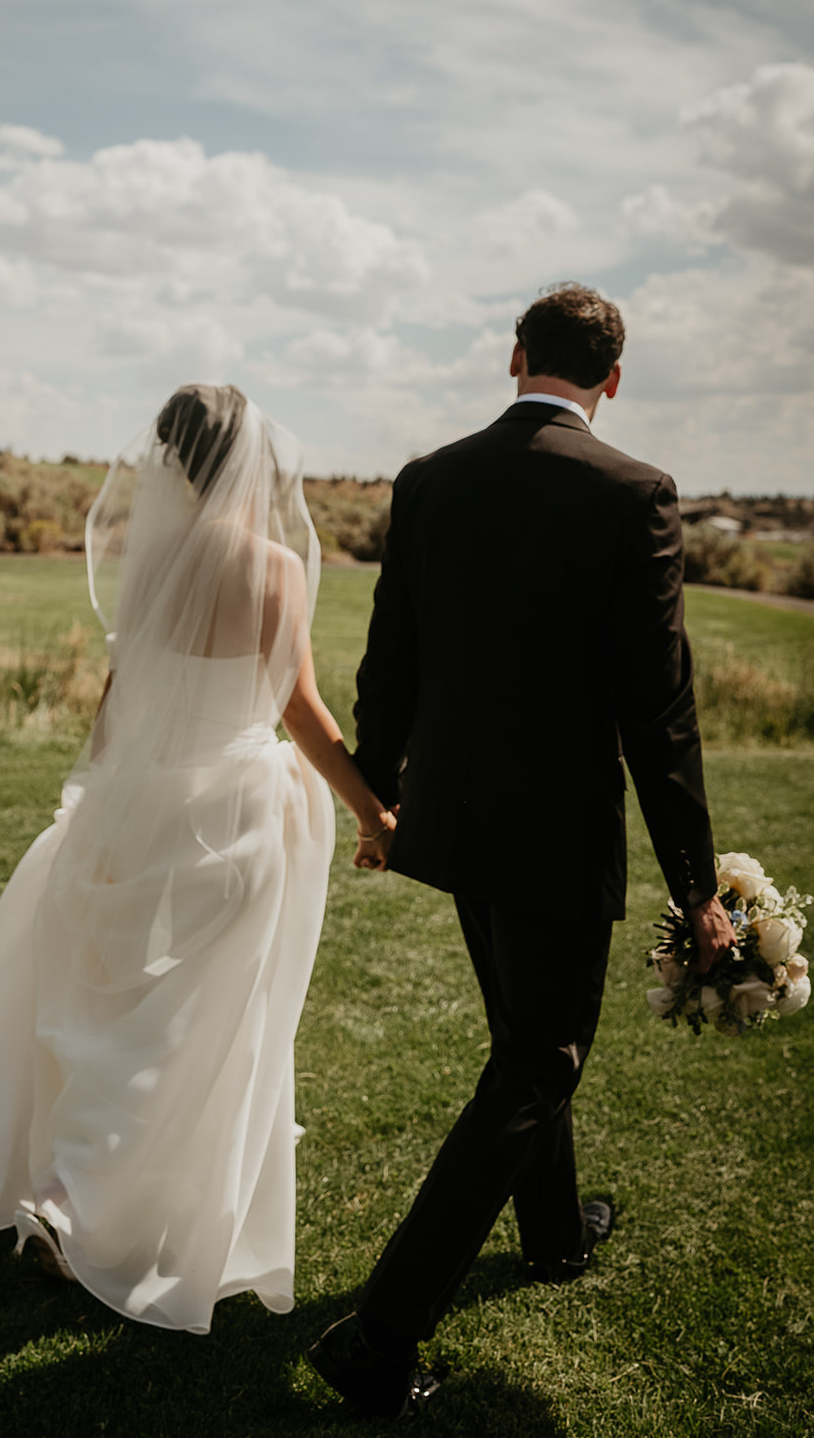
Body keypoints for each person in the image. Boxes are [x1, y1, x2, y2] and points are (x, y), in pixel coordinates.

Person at [0, 384, 393, 1352]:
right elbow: (300, 712)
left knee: (114, 1004)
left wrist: (93, 802)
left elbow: (116, 697)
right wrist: (371, 809)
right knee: (194, 1023)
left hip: (136, 808)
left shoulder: (155, 563)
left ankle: (75, 1188)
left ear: (172, 463)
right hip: (236, 819)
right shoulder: (273, 571)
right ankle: (74, 1198)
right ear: (250, 463)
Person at [308, 284, 737, 1420]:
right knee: (541, 1059)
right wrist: (694, 884)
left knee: (518, 1034)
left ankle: (550, 1234)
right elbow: (659, 711)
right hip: (552, 831)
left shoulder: (428, 478)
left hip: (450, 816)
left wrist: (378, 788)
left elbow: (385, 658)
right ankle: (381, 1333)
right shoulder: (633, 491)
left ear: (512, 357)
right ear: (610, 379)